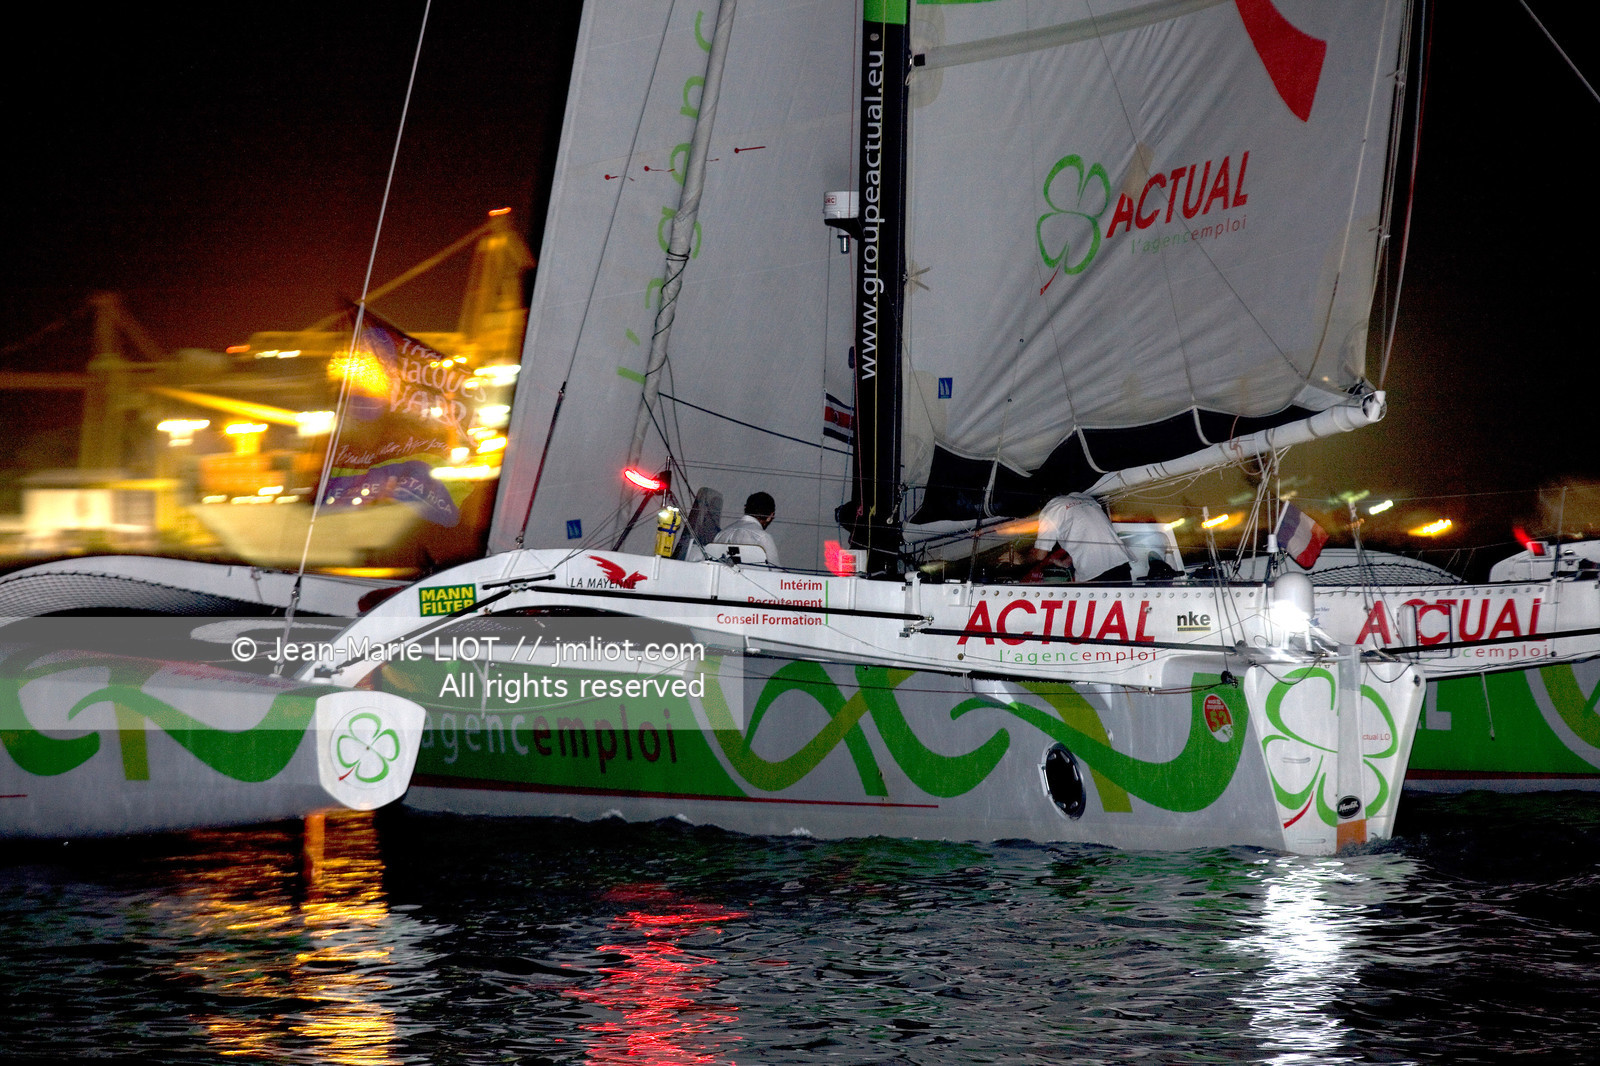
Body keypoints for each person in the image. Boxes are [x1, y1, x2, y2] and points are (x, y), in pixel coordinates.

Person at [1020, 492, 1137, 583]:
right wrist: (1066, 562)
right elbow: (1089, 535)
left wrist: (1019, 559)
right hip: (1121, 565)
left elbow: (1040, 555)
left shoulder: (1050, 510)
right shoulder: (1085, 498)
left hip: (1095, 574)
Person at [712, 491, 780, 567]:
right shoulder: (763, 537)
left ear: (745, 508)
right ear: (771, 516)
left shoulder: (721, 534)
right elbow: (775, 571)